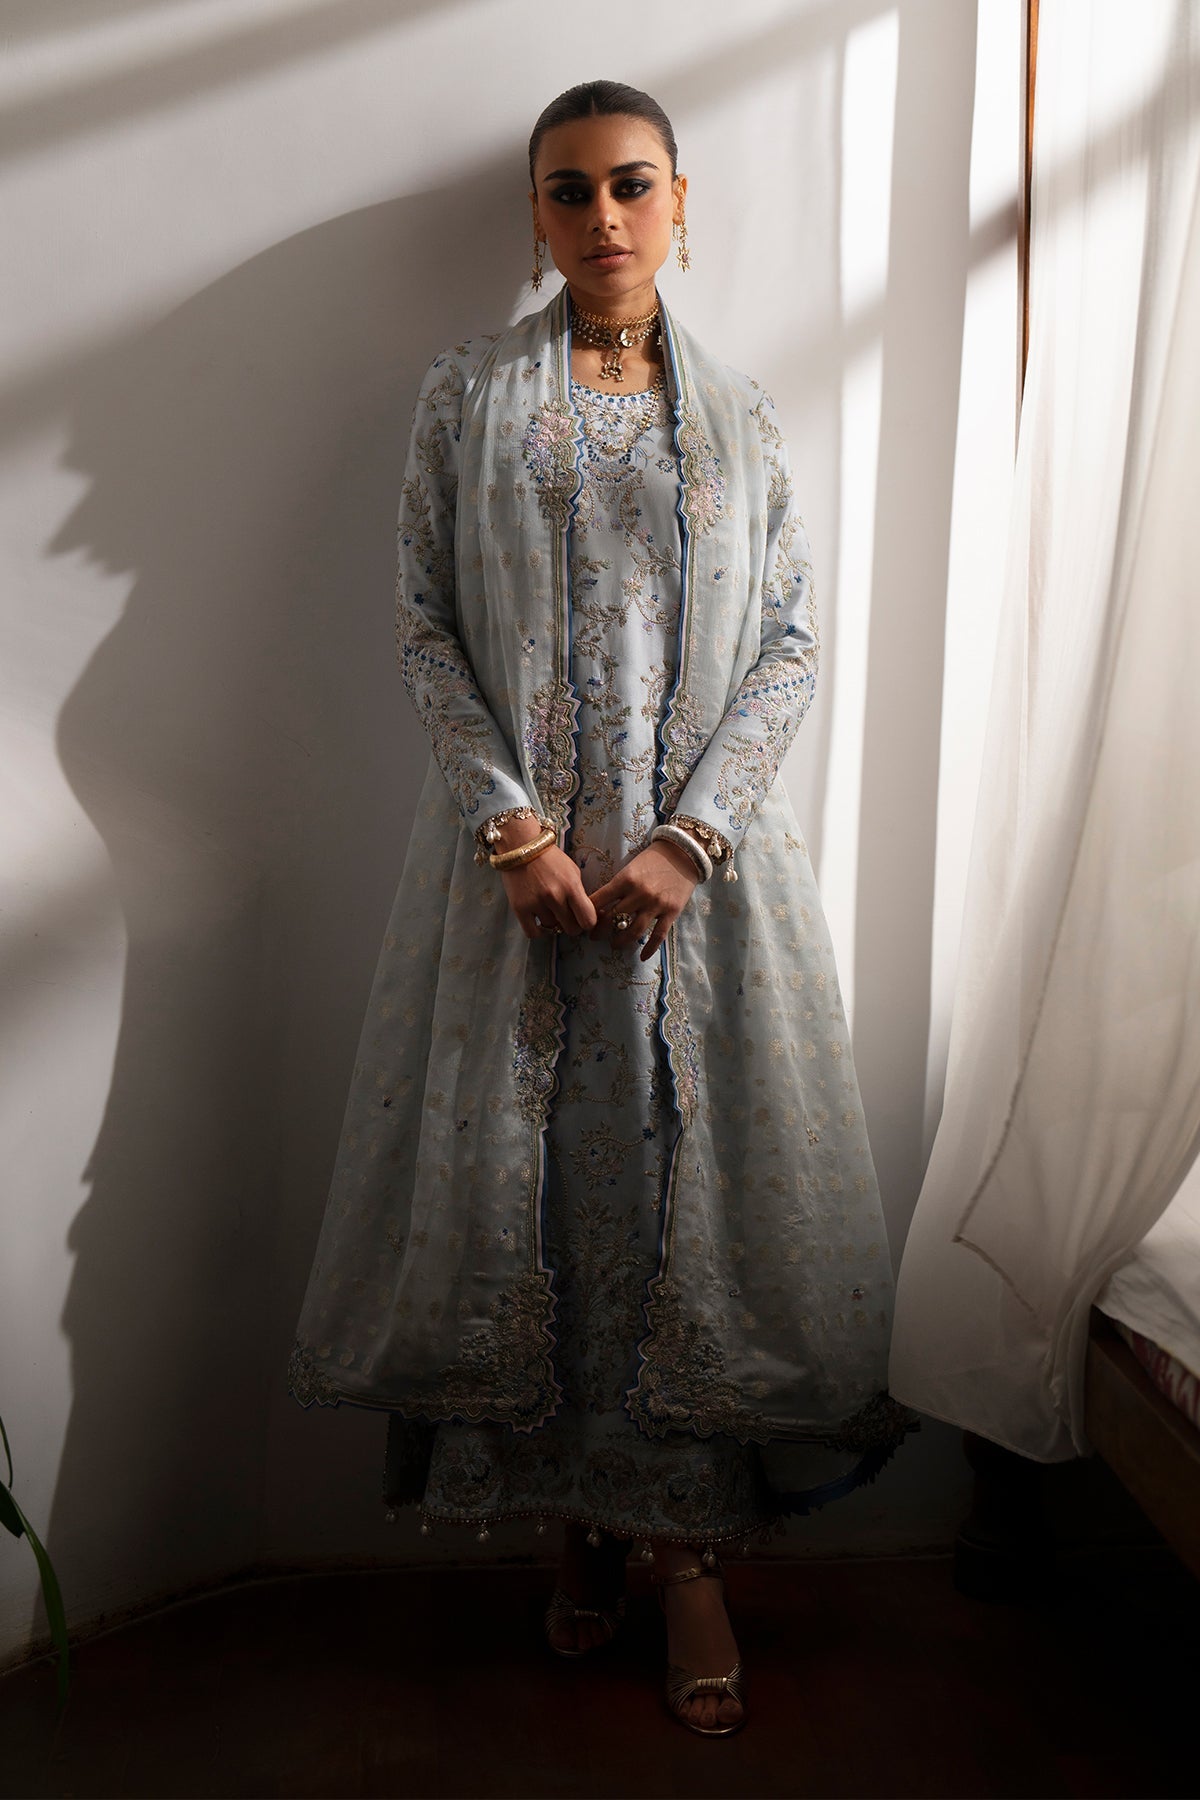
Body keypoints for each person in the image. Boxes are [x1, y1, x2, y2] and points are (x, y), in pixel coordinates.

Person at [289, 78, 919, 1738]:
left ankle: (687, 1554)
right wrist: (512, 831)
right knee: (541, 1207)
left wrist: (692, 839)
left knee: (676, 1210)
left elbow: (788, 644)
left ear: (682, 201)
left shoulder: (745, 415)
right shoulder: (466, 398)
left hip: (690, 900)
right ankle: (573, 1524)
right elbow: (426, 624)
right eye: (569, 192)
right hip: (515, 897)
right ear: (536, 216)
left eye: (633, 185)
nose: (604, 218)